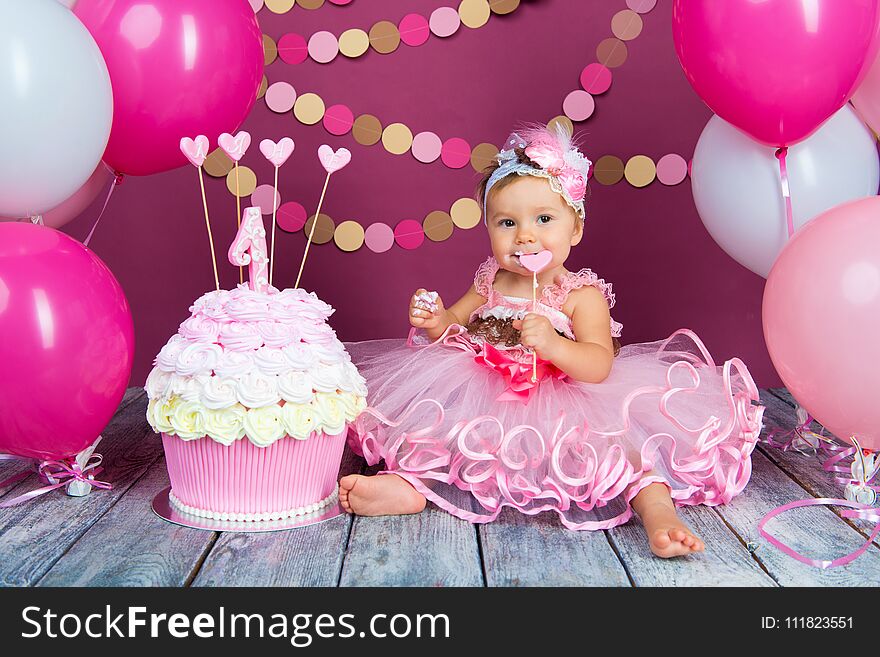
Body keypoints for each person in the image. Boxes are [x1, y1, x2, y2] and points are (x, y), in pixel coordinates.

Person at [340, 123, 764, 558]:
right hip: (485, 391)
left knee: (620, 452)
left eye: (544, 219)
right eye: (507, 222)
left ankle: (658, 512)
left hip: (566, 400)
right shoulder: (491, 279)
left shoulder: (581, 294)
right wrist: (433, 319)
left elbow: (599, 365)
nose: (525, 235)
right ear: (488, 229)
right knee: (444, 435)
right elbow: (456, 325)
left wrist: (556, 346)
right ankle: (413, 487)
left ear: (575, 228)